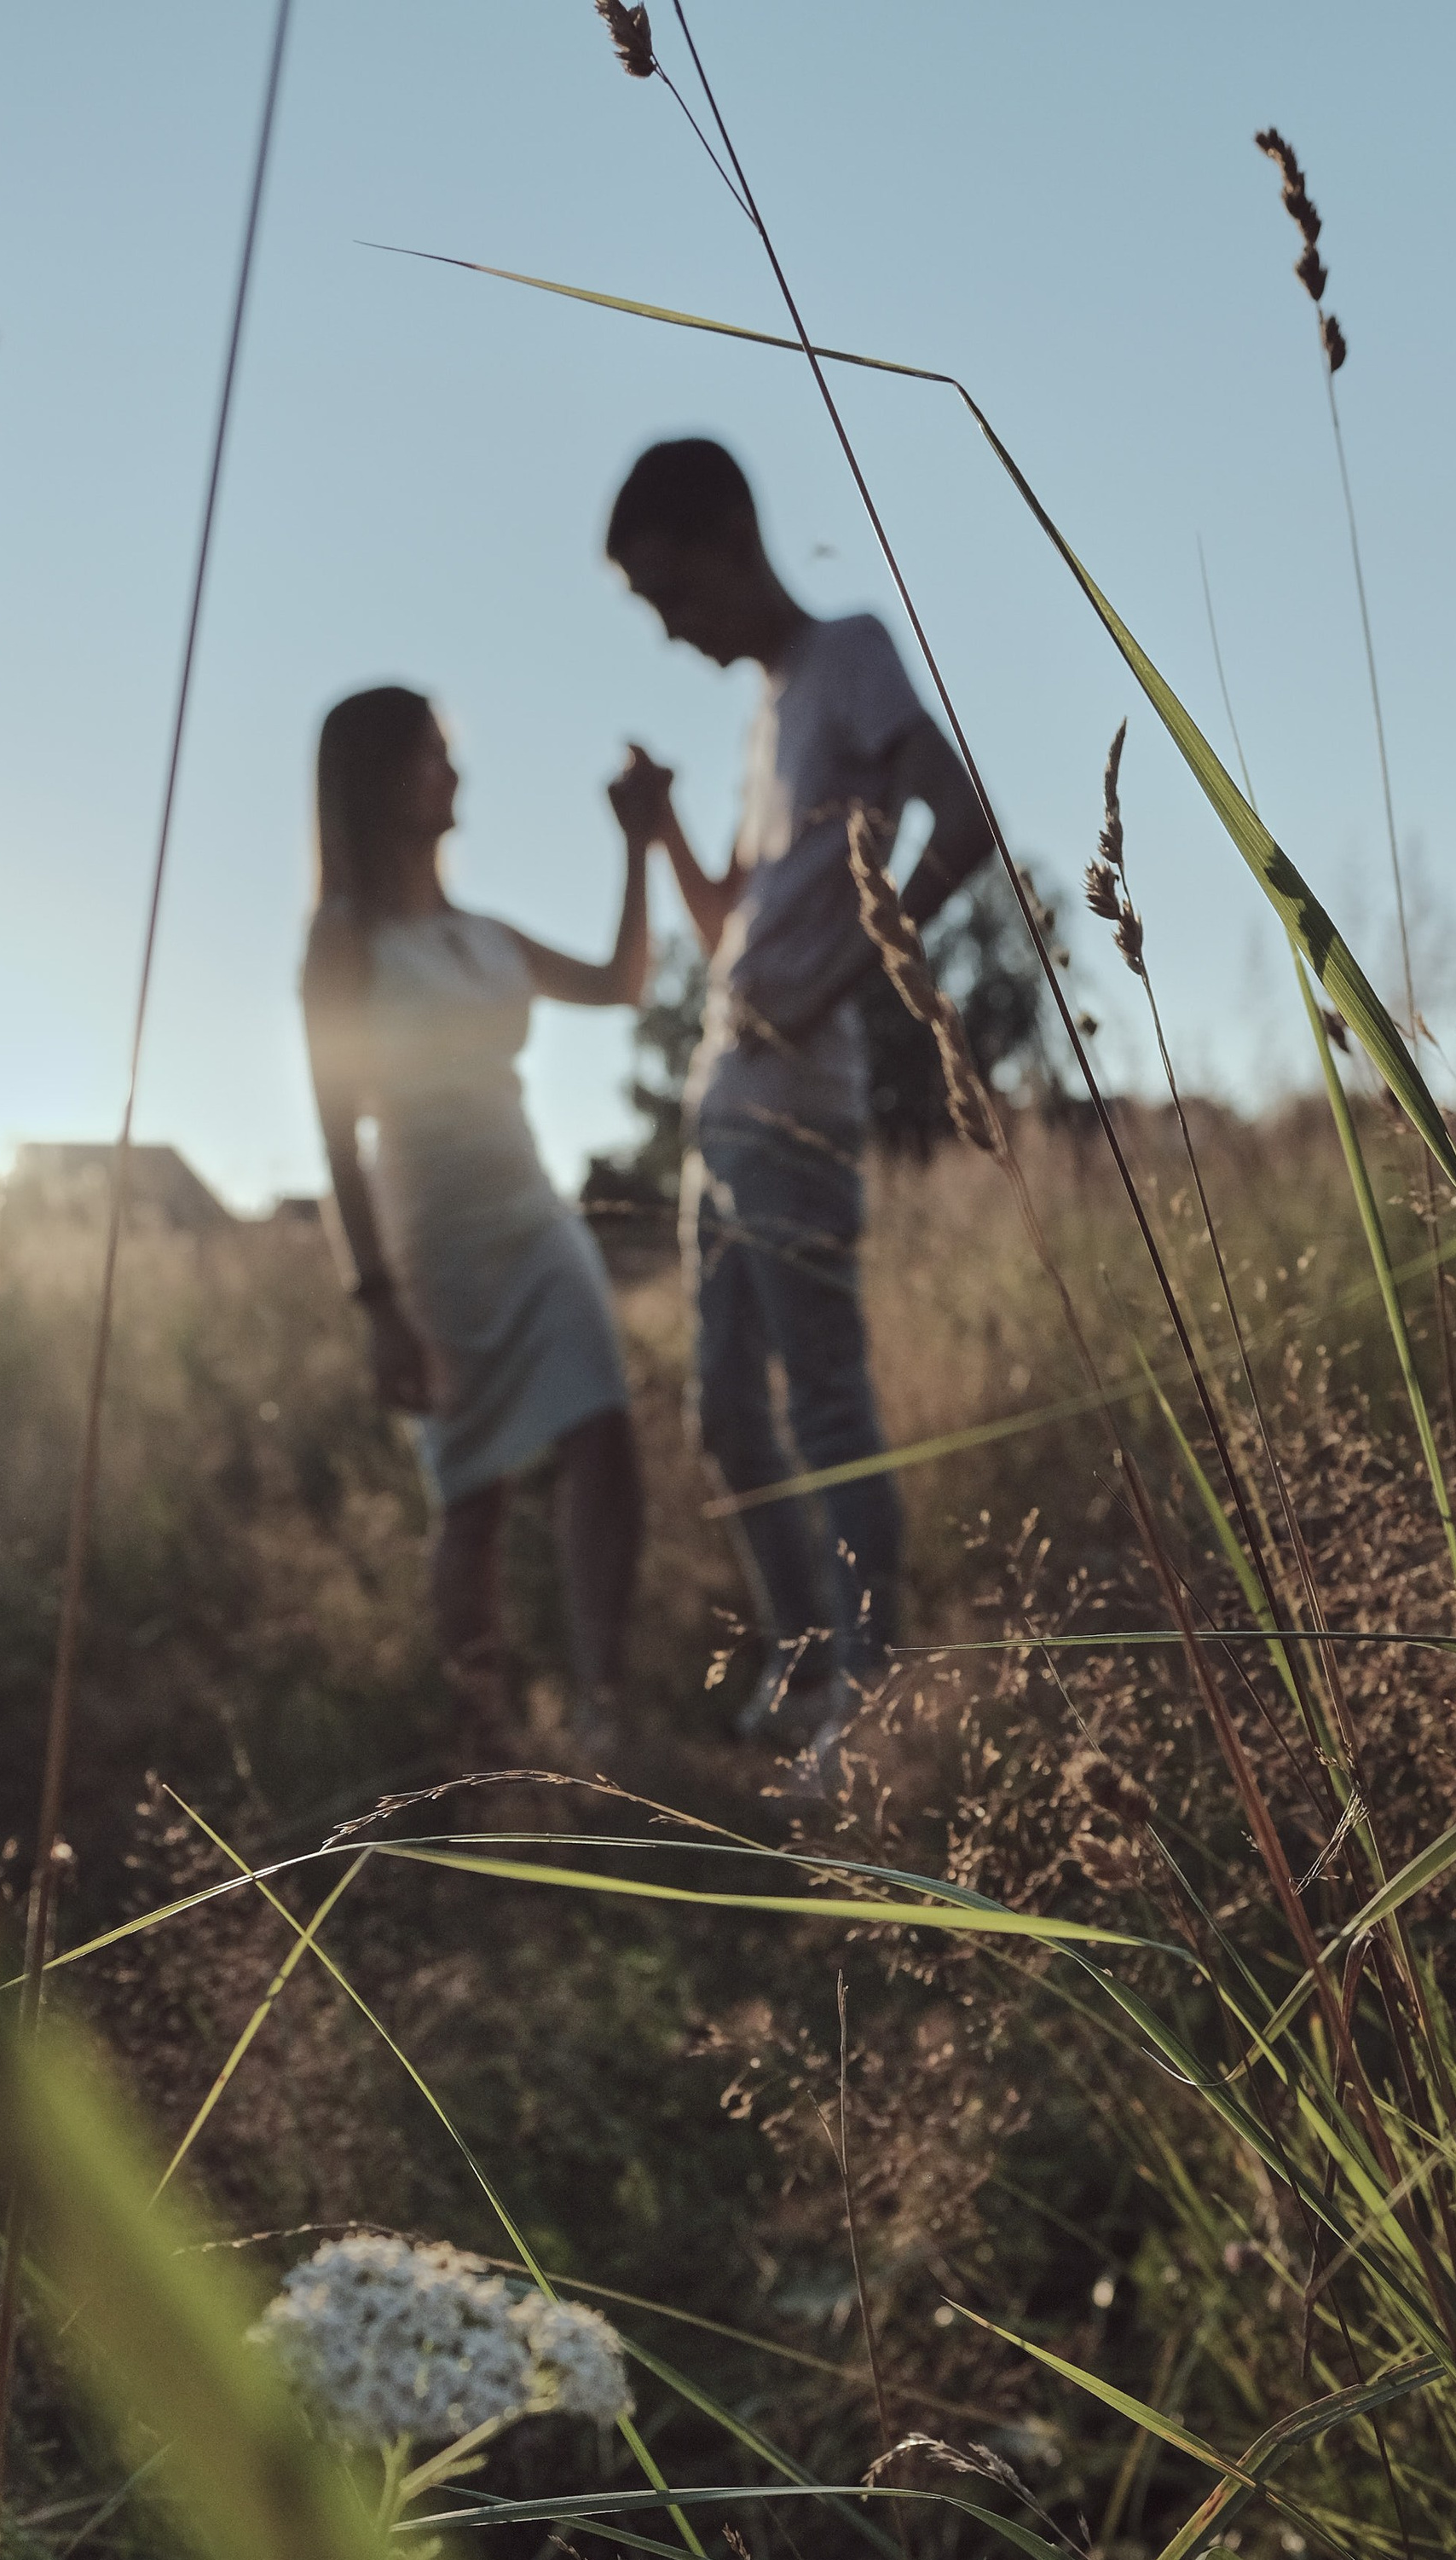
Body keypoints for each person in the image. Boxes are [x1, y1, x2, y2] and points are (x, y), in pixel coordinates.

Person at [607, 439, 991, 1751]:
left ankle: (870, 1702)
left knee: (824, 1401)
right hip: (721, 1099)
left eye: (671, 595)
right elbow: (728, 925)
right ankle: (812, 1657)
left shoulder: (851, 655)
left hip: (798, 1099)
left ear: (727, 539)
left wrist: (843, 983)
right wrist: (655, 828)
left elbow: (965, 813)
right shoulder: (765, 714)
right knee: (725, 1410)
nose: (672, 631)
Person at [302, 685, 656, 1768]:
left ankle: (599, 1707)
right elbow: (333, 1129)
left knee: (605, 1435)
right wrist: (376, 1305)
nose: (451, 775)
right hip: (434, 1242)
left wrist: (636, 843)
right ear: (375, 783)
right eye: (429, 757)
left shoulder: (484, 933)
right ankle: (482, 1736)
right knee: (475, 1492)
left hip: (535, 1217)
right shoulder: (344, 941)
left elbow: (620, 982)